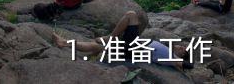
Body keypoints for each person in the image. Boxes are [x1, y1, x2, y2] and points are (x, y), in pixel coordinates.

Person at [52, 10, 191, 71]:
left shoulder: (171, 59)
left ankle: (64, 43)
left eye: (184, 50)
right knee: (131, 15)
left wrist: (184, 63)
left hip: (133, 51)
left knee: (96, 47)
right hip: (134, 44)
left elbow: (188, 65)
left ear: (182, 56)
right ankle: (110, 38)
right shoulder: (169, 52)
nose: (181, 46)